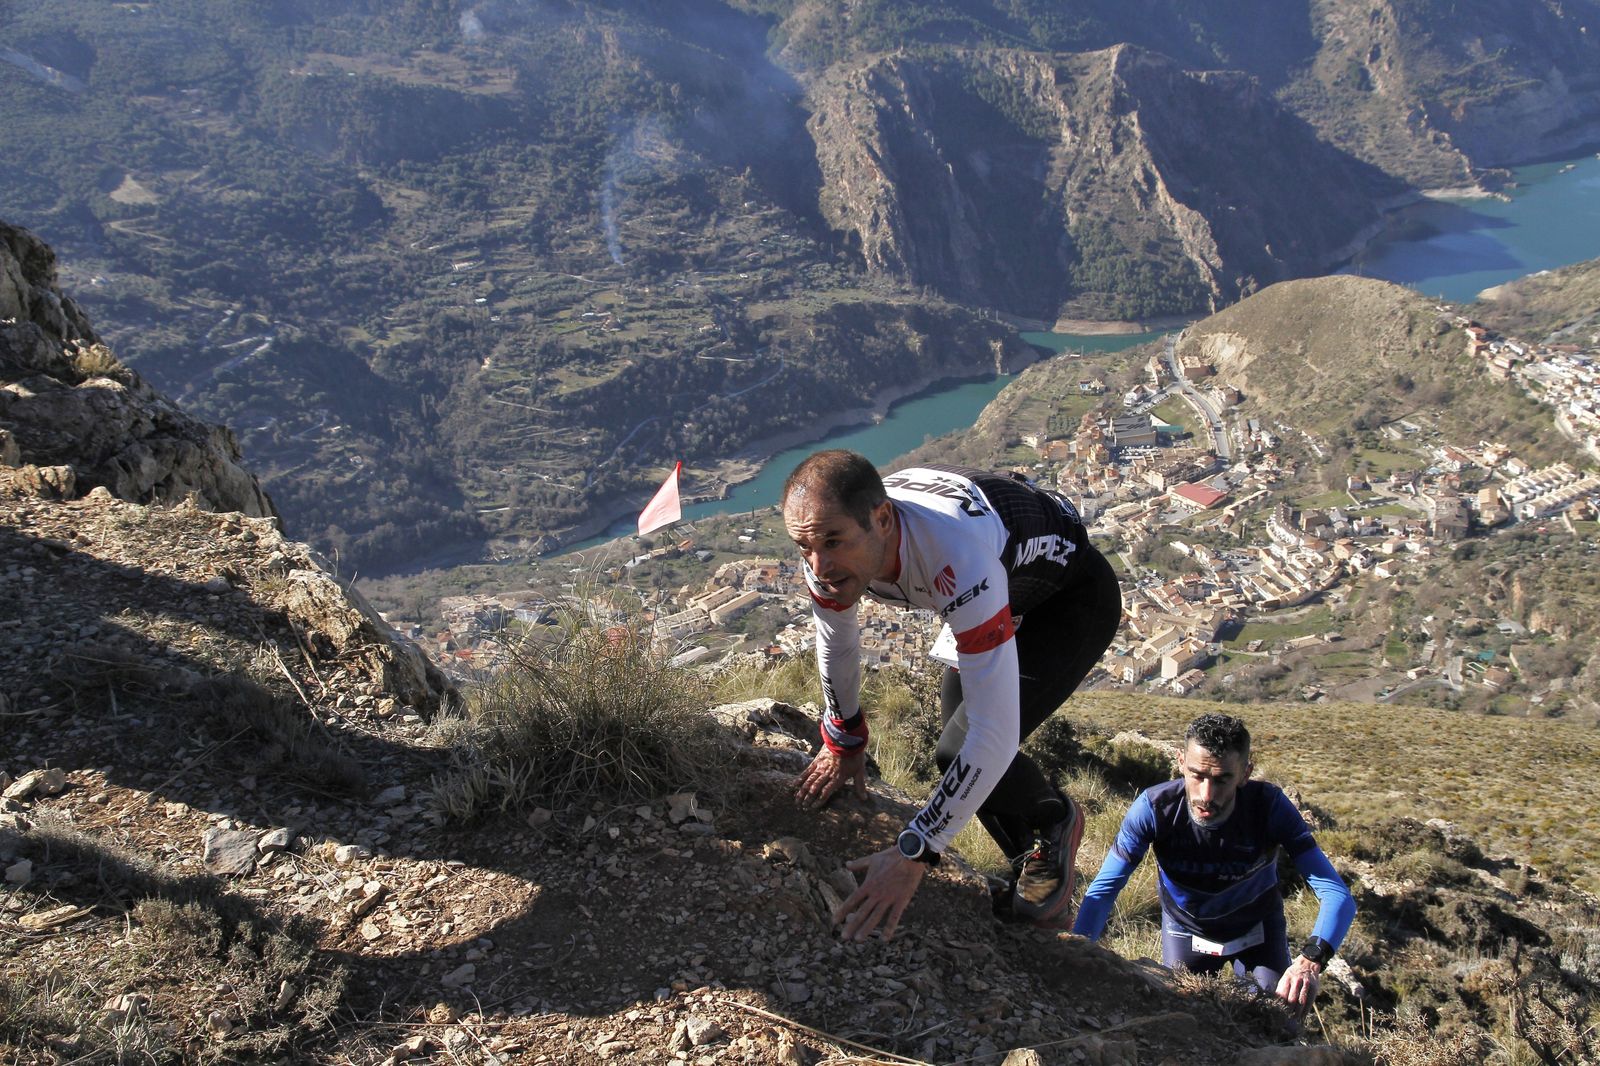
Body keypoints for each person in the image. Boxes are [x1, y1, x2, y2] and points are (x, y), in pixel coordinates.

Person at [782, 450, 1121, 941]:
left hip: (1068, 599)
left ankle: (1056, 824)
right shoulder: (828, 542)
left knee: (963, 748)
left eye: (833, 543)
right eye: (804, 547)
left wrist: (916, 849)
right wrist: (844, 736)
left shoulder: (955, 554)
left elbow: (995, 735)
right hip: (1004, 587)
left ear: (881, 518)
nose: (821, 566)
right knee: (957, 755)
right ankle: (1037, 875)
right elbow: (837, 641)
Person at [1072, 713, 1356, 1011]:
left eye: (1222, 779)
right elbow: (1104, 889)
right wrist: (1076, 952)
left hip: (1258, 929)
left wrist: (1310, 960)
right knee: (1177, 1017)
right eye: (1197, 775)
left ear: (1246, 773)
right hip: (1185, 929)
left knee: (1278, 1019)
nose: (1206, 795)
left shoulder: (1269, 807)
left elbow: (1338, 896)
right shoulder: (1155, 809)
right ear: (1180, 761)